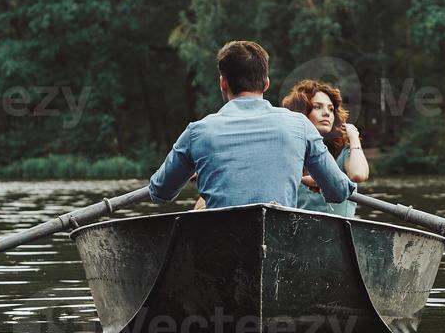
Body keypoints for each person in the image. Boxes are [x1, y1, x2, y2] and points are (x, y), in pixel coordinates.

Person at [147, 41, 356, 210]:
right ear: (266, 83)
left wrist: (195, 166)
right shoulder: (299, 124)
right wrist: (321, 183)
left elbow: (159, 192)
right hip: (277, 244)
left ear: (223, 83)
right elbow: (338, 191)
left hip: (219, 246)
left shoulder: (197, 132)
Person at [281, 80, 369, 217]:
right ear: (301, 112)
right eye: (318, 107)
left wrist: (354, 138)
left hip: (338, 234)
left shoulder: (343, 150)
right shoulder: (290, 152)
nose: (326, 113)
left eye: (331, 109)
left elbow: (358, 174)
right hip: (300, 235)